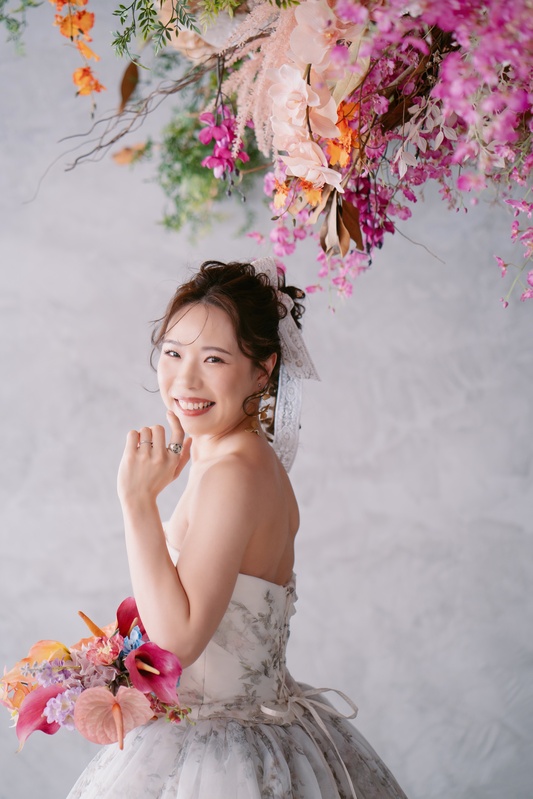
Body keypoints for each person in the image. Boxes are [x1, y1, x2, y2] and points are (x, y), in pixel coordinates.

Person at [66, 259, 408, 799]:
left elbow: (179, 641)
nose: (185, 379)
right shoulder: (230, 458)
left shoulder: (235, 471)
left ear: (263, 370)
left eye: (214, 359)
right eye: (173, 353)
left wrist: (136, 502)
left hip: (222, 753)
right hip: (235, 730)